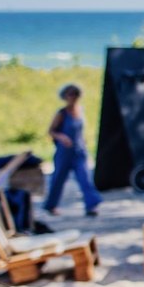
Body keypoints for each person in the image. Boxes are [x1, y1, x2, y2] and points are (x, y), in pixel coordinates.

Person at [42, 83, 101, 217]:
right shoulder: (61, 113)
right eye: (70, 95)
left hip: (79, 151)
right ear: (65, 97)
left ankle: (91, 205)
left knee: (84, 178)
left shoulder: (80, 111)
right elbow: (51, 131)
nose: (72, 97)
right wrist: (62, 137)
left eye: (75, 95)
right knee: (58, 179)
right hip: (64, 151)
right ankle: (51, 205)